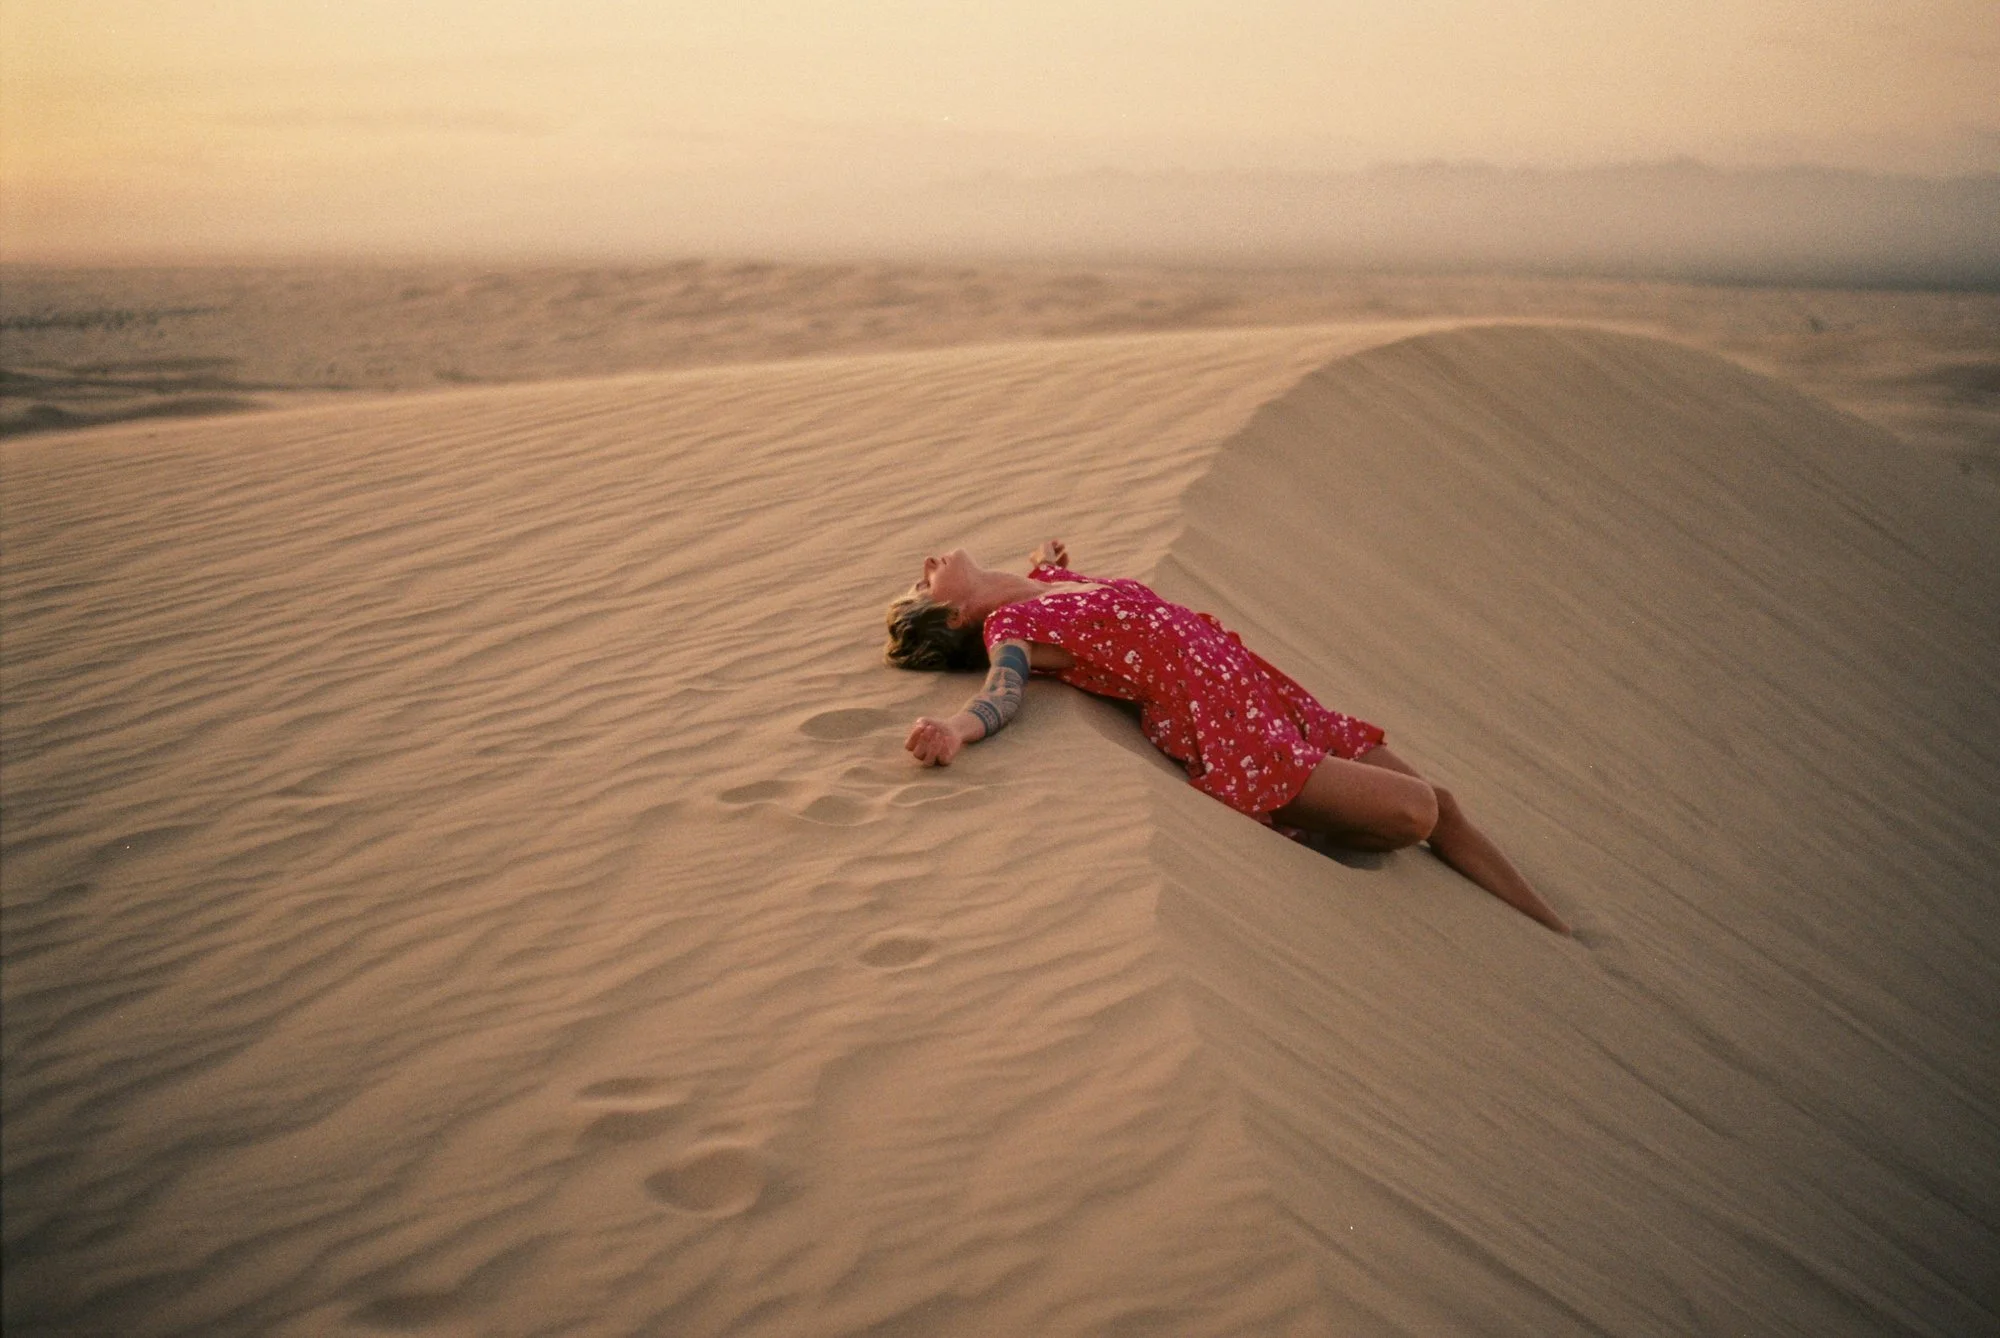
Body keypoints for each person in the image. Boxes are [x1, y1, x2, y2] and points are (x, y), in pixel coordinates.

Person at [885, 541, 1571, 935]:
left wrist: (1048, 560)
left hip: (1274, 696)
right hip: (1238, 739)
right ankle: (1315, 830)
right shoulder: (1012, 631)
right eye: (924, 580)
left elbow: (1109, 605)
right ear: (954, 610)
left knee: (1442, 805)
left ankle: (1555, 932)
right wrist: (954, 730)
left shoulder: (1047, 583)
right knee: (1413, 811)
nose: (927, 559)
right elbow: (1002, 693)